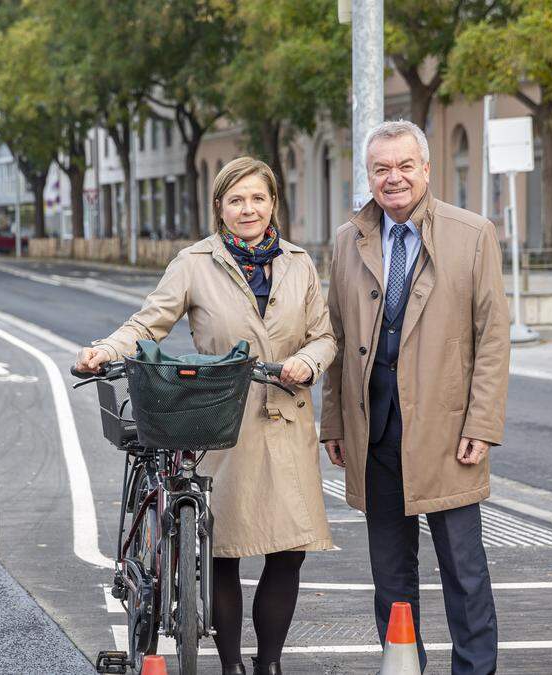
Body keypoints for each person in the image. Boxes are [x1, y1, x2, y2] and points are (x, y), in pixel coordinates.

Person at [75, 157, 337, 675]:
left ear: (273, 204)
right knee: (223, 552)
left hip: (286, 420)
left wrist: (307, 363)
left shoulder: (298, 262)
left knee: (288, 552)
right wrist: (105, 350)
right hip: (220, 420)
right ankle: (233, 667)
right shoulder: (195, 262)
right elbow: (148, 324)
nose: (248, 209)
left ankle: (270, 664)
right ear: (219, 207)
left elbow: (324, 335)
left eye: (258, 198)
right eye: (236, 200)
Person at [320, 120, 510, 674]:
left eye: (405, 166)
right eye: (382, 168)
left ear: (426, 169)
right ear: (370, 175)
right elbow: (334, 333)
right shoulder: (346, 239)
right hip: (375, 432)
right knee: (391, 576)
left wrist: (482, 423)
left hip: (448, 434)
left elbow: (493, 338)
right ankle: (404, 667)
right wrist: (333, 422)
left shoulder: (472, 233)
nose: (394, 178)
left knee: (464, 570)